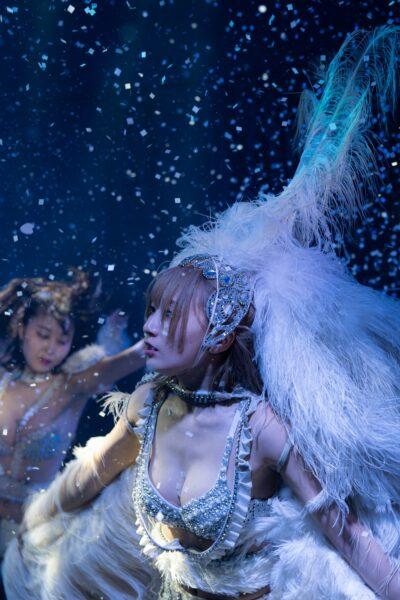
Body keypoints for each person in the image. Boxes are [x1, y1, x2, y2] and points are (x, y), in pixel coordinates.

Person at [3, 26, 400, 600]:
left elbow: (346, 532)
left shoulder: (259, 427)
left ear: (219, 335)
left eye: (170, 316)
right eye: (152, 311)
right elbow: (89, 477)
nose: (150, 327)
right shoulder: (148, 403)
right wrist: (36, 524)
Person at [0, 270, 145, 557]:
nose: (50, 349)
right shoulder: (3, 378)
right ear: (22, 329)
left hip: (33, 538)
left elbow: (134, 357)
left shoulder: (71, 387)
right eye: (43, 335)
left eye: (62, 340)